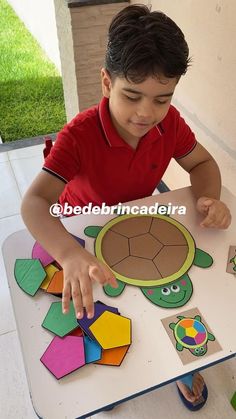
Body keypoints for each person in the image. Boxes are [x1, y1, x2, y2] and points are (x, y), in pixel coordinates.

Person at [21, 4, 231, 411]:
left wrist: (209, 198)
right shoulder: (79, 136)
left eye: (162, 99)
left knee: (167, 299)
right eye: (132, 96)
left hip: (141, 226)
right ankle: (106, 366)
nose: (145, 113)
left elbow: (203, 164)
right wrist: (67, 253)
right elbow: (34, 202)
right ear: (106, 82)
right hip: (79, 235)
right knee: (93, 311)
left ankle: (179, 366)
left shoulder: (169, 125)